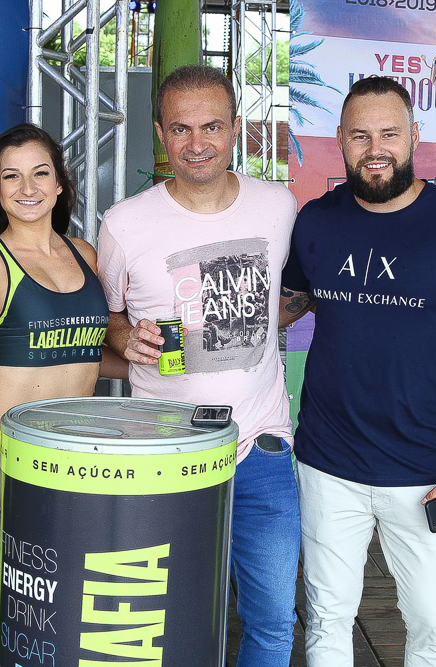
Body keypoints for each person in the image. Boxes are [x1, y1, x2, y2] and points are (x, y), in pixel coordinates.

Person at [278, 75, 436, 666]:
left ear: (415, 135)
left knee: (432, 626)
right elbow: (283, 306)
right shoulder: (316, 220)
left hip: (426, 470)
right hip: (327, 462)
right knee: (327, 618)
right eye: (360, 136)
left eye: (389, 133)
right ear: (340, 139)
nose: (375, 148)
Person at [97, 64, 299, 666]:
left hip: (261, 445)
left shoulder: (278, 207)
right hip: (166, 451)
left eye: (211, 126)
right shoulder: (124, 224)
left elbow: (289, 296)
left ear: (236, 127)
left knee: (273, 621)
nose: (196, 144)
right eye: (181, 129)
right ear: (160, 133)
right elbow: (109, 319)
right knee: (170, 620)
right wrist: (127, 337)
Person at [0, 123, 126, 667]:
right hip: (6, 455)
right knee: (3, 598)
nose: (28, 187)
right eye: (11, 177)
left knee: (69, 590)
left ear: (60, 184)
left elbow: (84, 352)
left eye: (40, 173)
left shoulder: (84, 254)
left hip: (76, 453)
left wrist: (143, 359)